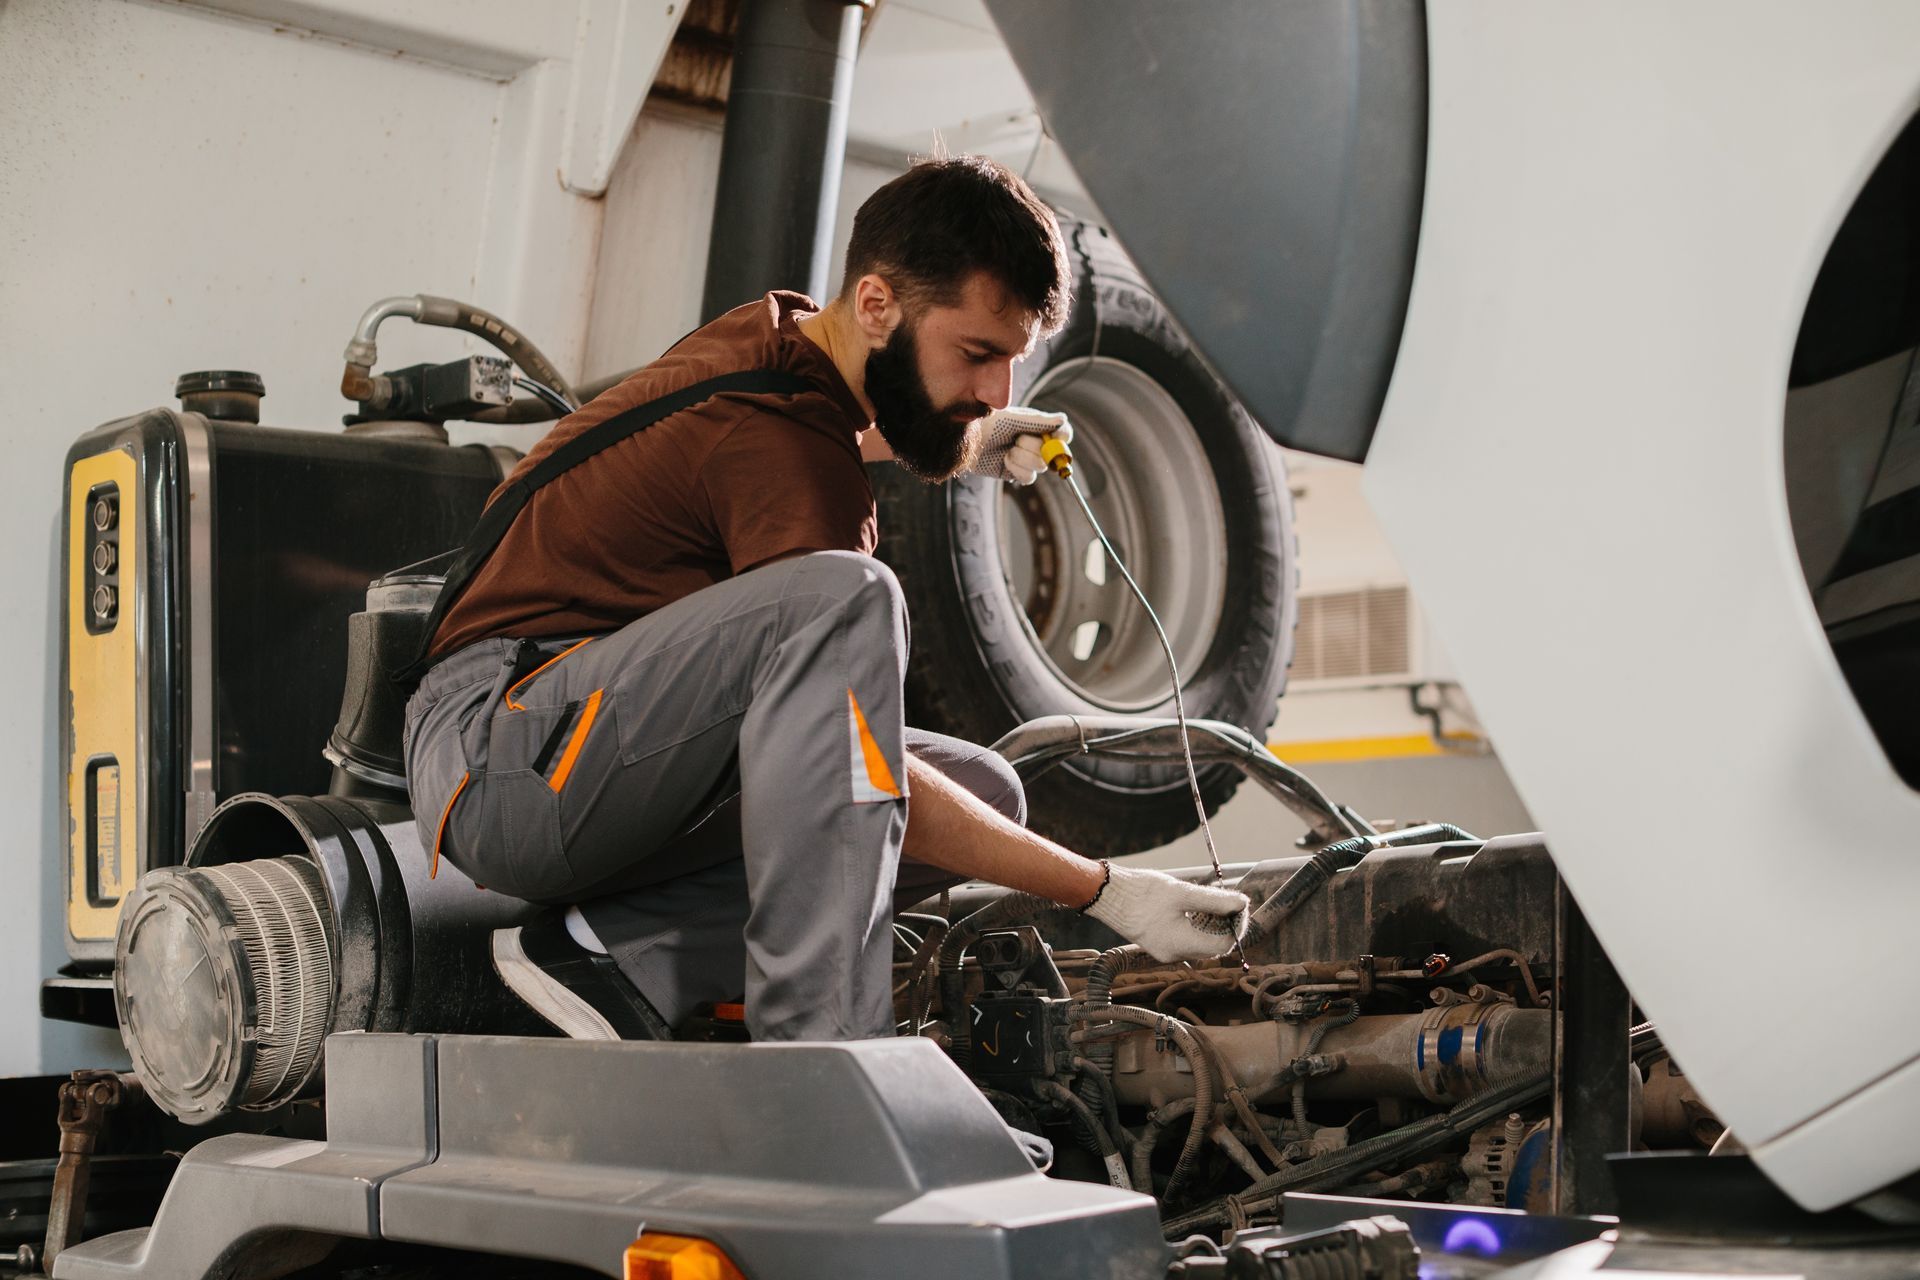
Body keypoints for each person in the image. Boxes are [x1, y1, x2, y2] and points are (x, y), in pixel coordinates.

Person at [403, 154, 1248, 1043]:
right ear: (879, 303)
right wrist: (1103, 888)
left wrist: (974, 435)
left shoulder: (788, 347)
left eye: (1011, 363)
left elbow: (817, 431)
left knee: (986, 791)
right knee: (850, 601)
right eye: (977, 356)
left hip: (565, 745)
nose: (998, 390)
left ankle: (617, 954)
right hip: (506, 762)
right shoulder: (783, 450)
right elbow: (856, 767)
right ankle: (820, 1048)